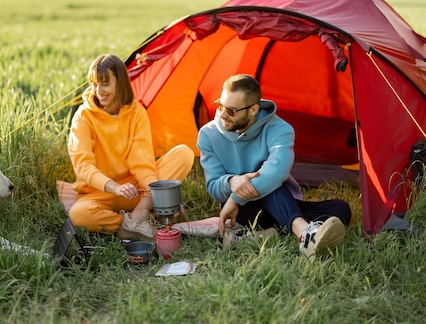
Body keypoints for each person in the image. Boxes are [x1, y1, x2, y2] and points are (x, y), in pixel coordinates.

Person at [197, 74, 352, 259]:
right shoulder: (208, 134)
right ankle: (305, 233)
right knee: (270, 182)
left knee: (340, 209)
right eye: (220, 105)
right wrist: (232, 182)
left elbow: (278, 171)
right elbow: (214, 188)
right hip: (241, 213)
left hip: (278, 206)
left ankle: (252, 237)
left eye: (231, 110)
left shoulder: (280, 129)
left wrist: (235, 198)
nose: (222, 114)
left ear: (254, 109)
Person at [66, 54, 195, 241]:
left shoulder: (136, 112)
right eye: (94, 84)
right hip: (100, 191)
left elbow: (141, 162)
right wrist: (114, 187)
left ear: (120, 83)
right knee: (79, 215)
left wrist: (160, 193)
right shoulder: (83, 116)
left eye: (104, 84)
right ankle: (129, 224)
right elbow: (83, 166)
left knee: (184, 154)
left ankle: (139, 213)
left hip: (135, 189)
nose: (98, 91)